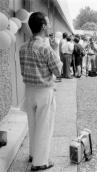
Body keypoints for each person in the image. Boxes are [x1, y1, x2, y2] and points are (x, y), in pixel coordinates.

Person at [19, 12, 62, 171]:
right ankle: (40, 162)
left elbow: (23, 71)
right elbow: (58, 71)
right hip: (44, 91)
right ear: (43, 26)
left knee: (33, 125)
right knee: (45, 127)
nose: (49, 24)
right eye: (48, 22)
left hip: (29, 90)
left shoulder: (23, 47)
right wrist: (56, 49)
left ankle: (33, 154)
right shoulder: (46, 48)